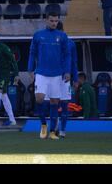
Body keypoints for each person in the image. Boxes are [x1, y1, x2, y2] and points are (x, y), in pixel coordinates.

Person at [28, 12, 71, 140]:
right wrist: (30, 69)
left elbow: (67, 55)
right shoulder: (38, 35)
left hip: (57, 74)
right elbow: (32, 53)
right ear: (46, 20)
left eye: (56, 21)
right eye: (52, 21)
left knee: (54, 102)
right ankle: (43, 125)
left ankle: (52, 131)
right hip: (41, 72)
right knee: (39, 99)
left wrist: (67, 71)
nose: (54, 23)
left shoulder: (62, 36)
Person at [54, 21, 79, 138]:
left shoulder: (70, 43)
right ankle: (57, 129)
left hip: (63, 78)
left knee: (63, 104)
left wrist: (76, 78)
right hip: (54, 77)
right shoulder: (50, 42)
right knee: (56, 104)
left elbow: (73, 62)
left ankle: (61, 130)